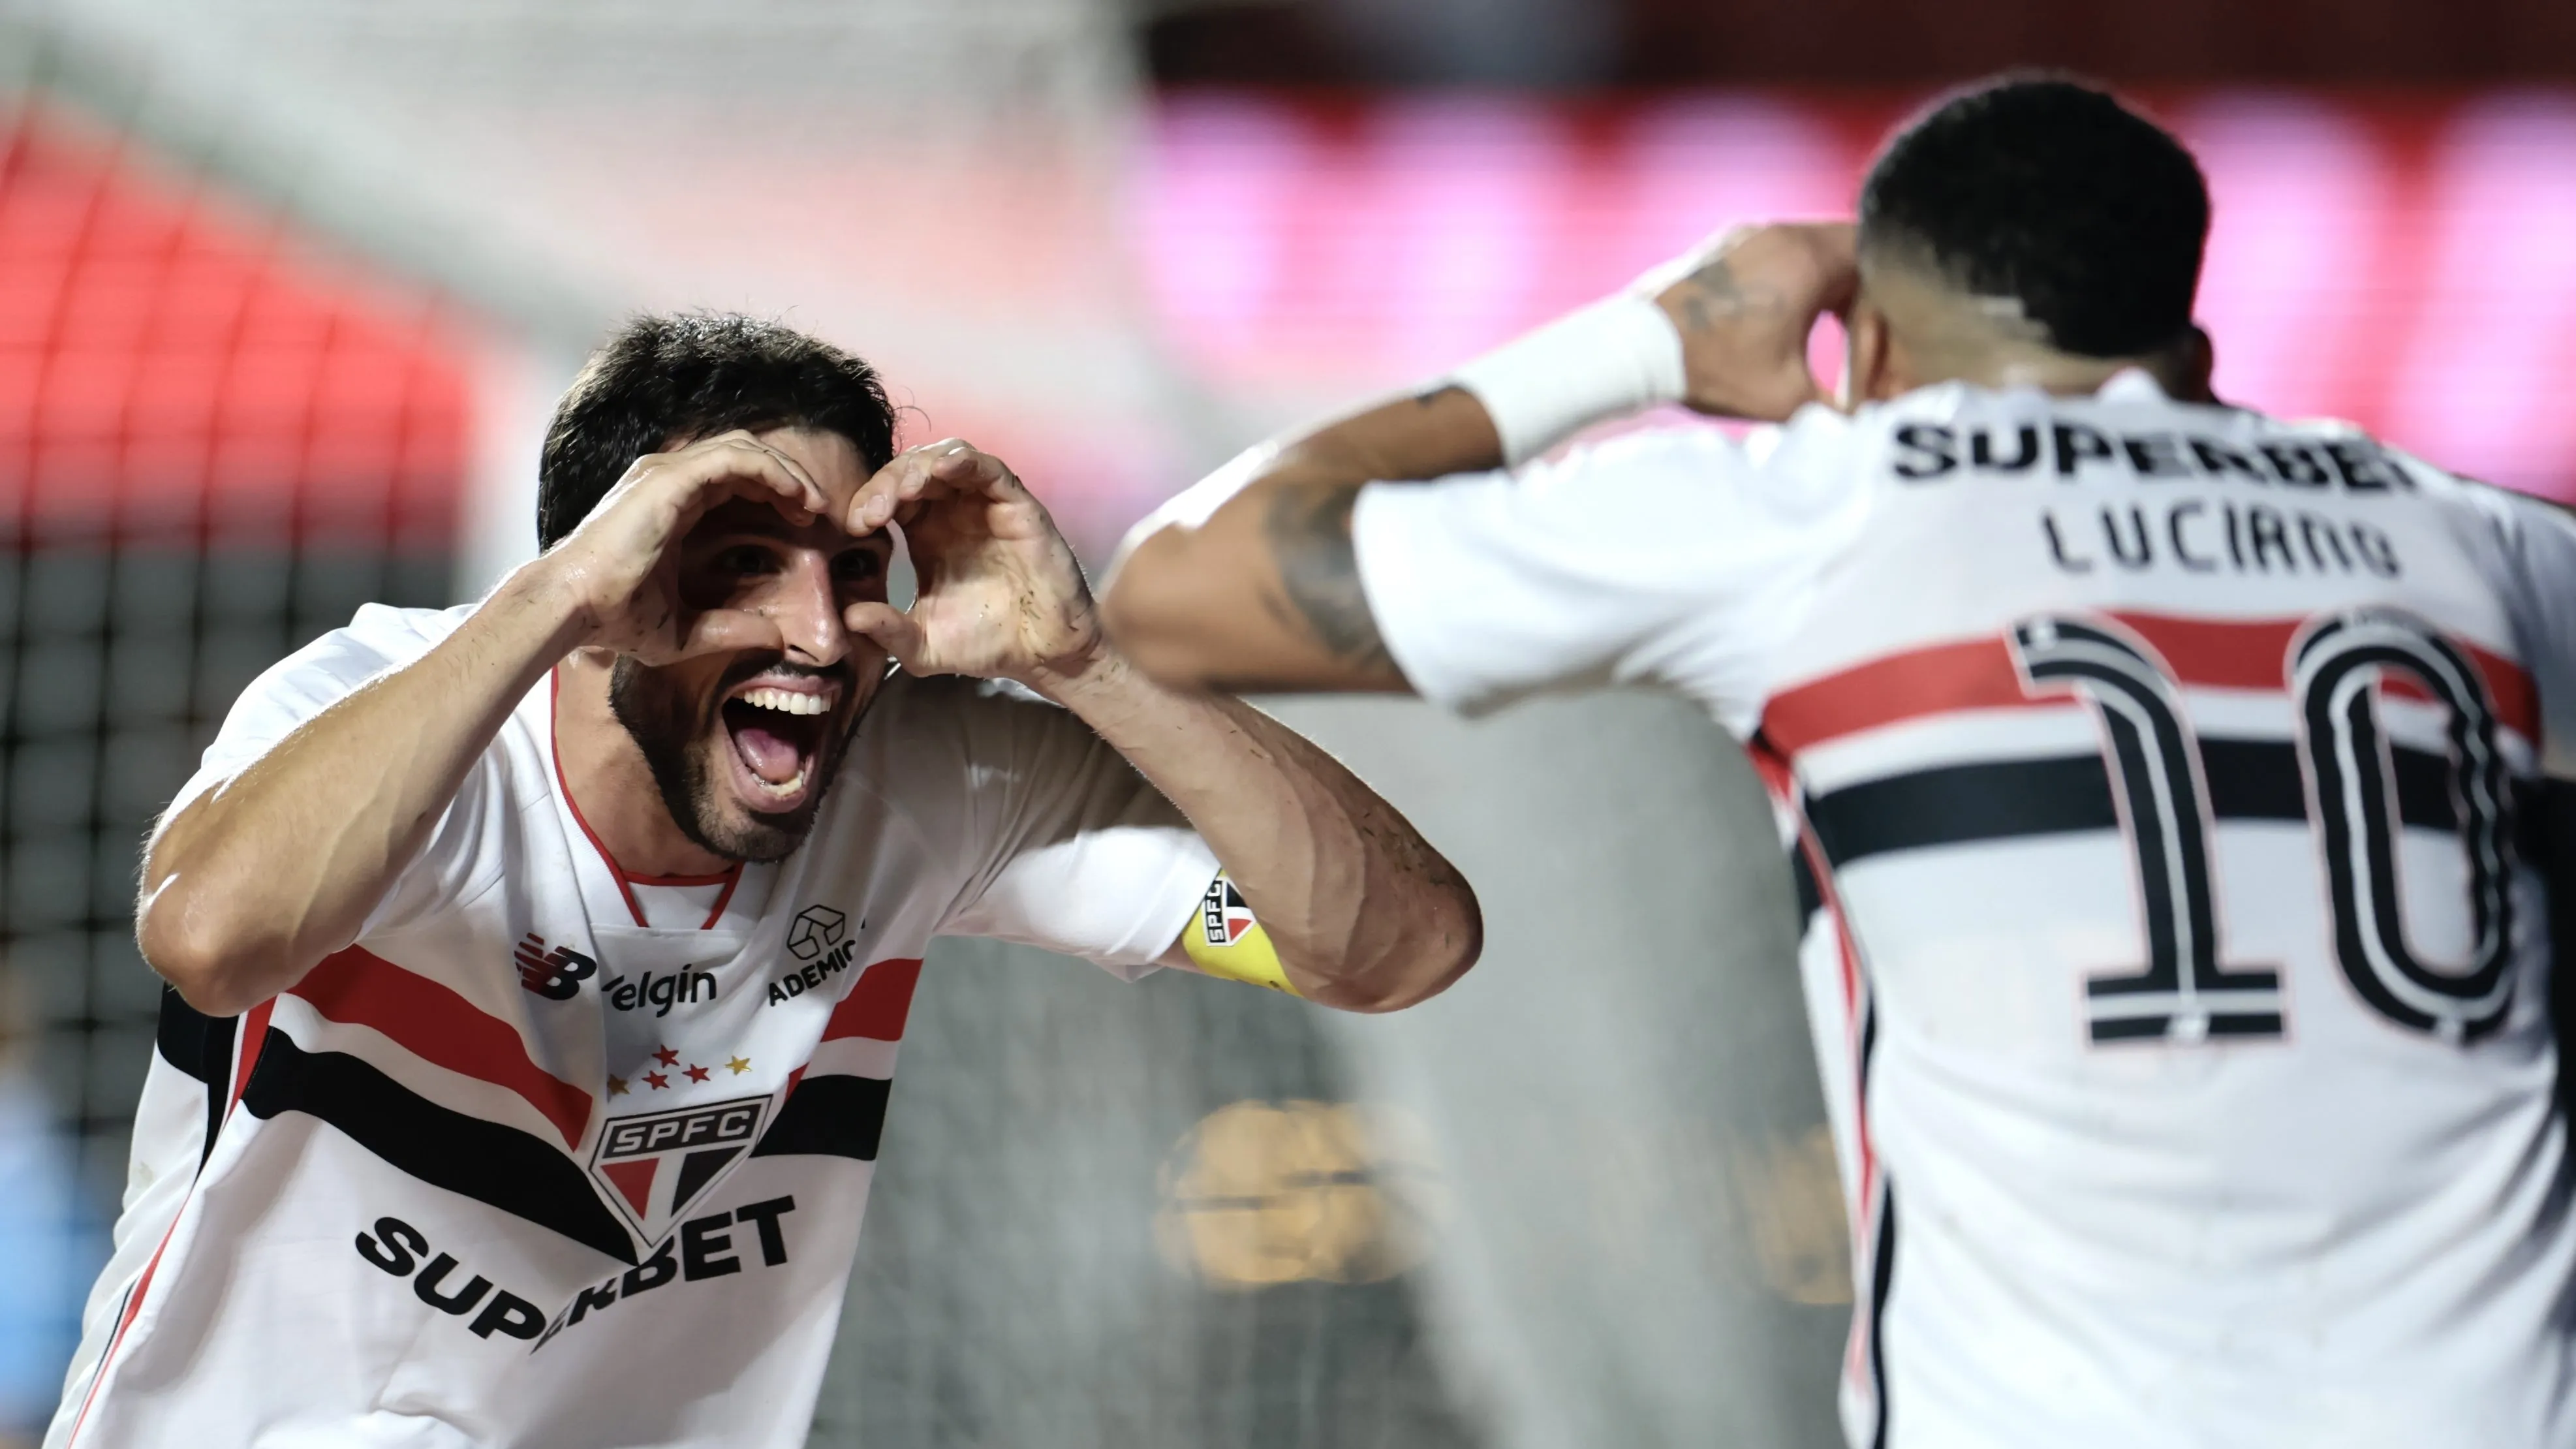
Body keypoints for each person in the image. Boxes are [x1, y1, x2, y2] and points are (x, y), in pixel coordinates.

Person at [1102, 76, 2576, 1448]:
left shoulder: (1821, 507)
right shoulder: (2473, 540)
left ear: (1868, 349)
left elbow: (1175, 587)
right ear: (2189, 356)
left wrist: (1649, 339)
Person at [49, 314, 1479, 1448]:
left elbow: (1397, 949)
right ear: (610, 580)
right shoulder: (393, 705)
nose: (814, 630)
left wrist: (1085, 663)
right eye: (739, 564)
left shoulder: (933, 778)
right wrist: (550, 599)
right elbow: (213, 937)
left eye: (854, 565)